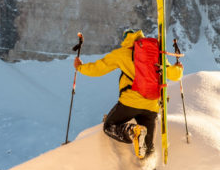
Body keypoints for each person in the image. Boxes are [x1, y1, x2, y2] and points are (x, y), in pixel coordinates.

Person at [74, 29, 183, 159]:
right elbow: (174, 75)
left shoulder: (122, 53)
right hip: (152, 105)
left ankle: (133, 132)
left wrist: (80, 67)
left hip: (130, 102)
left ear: (126, 39)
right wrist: (178, 68)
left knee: (110, 126)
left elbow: (98, 68)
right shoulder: (155, 54)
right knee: (147, 150)